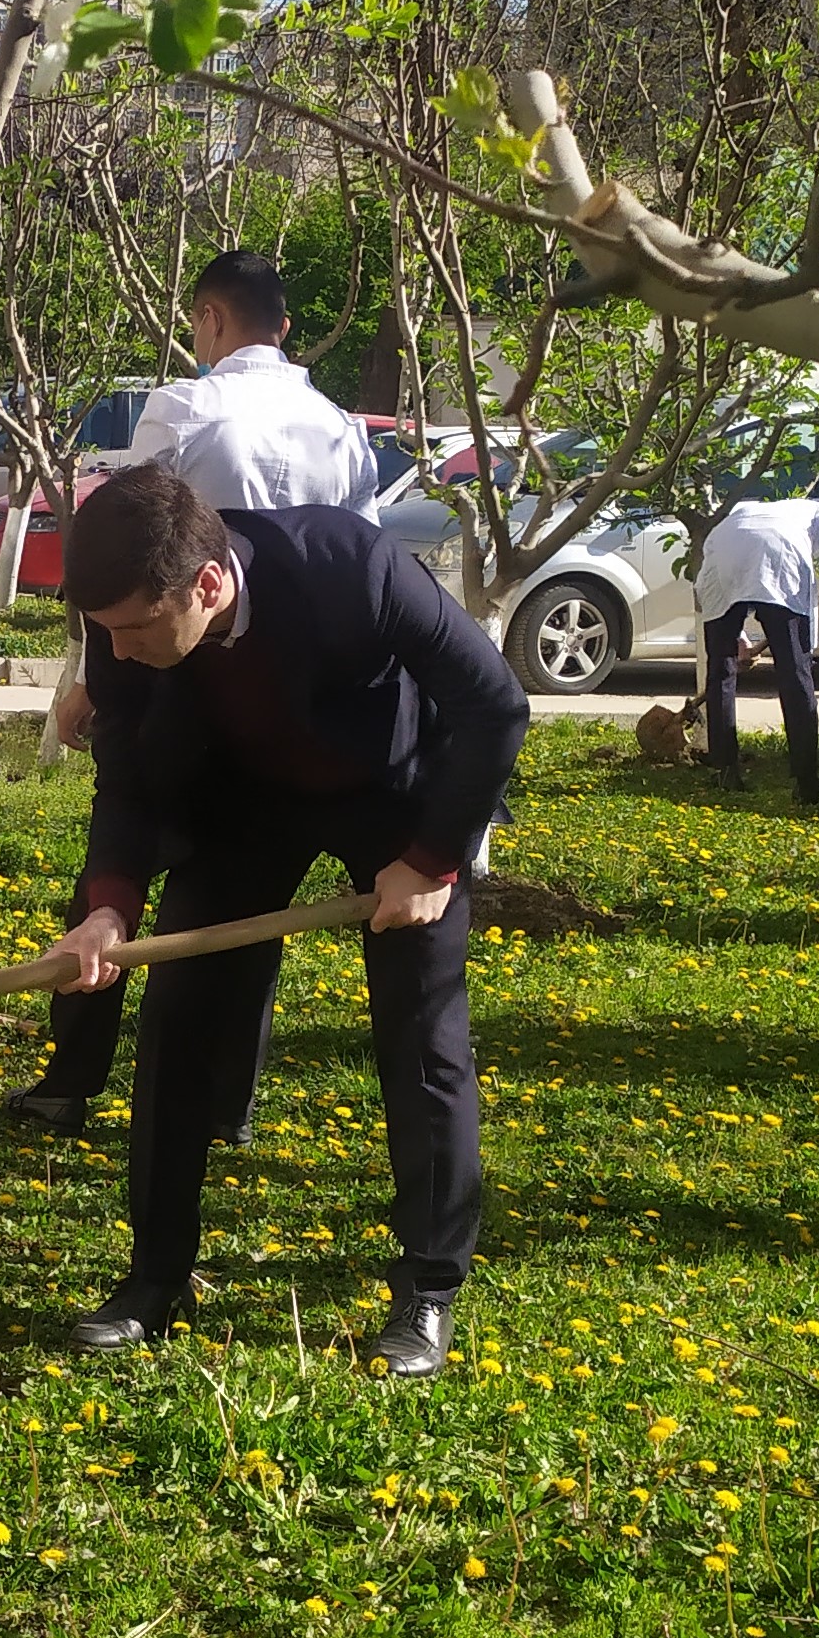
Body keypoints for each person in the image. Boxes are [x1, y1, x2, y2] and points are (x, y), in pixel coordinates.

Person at [45, 467, 530, 1377]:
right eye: (104, 634)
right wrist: (109, 902)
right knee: (179, 1022)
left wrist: (431, 860)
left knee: (422, 1038)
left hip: (394, 797)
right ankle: (156, 1277)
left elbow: (495, 706)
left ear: (209, 585)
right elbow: (129, 776)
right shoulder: (124, 620)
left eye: (137, 631)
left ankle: (428, 1287)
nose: (119, 650)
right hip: (240, 805)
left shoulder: (355, 570)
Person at [1, 249, 370, 1130]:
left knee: (114, 865)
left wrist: (95, 673)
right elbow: (351, 564)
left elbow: (128, 546)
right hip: (285, 688)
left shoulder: (188, 407)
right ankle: (221, 1102)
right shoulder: (341, 428)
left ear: (210, 319)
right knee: (250, 904)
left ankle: (74, 1076)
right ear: (282, 327)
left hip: (172, 673)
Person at [128, 248, 377, 509]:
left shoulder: (178, 410)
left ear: (211, 320)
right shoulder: (346, 434)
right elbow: (363, 542)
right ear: (284, 328)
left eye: (194, 327)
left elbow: (134, 531)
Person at [689, 493, 819, 801]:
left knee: (720, 672)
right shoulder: (815, 513)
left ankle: (726, 772)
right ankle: (806, 782)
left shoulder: (732, 520)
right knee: (794, 673)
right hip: (780, 554)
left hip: (723, 557)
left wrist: (737, 641)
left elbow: (706, 593)